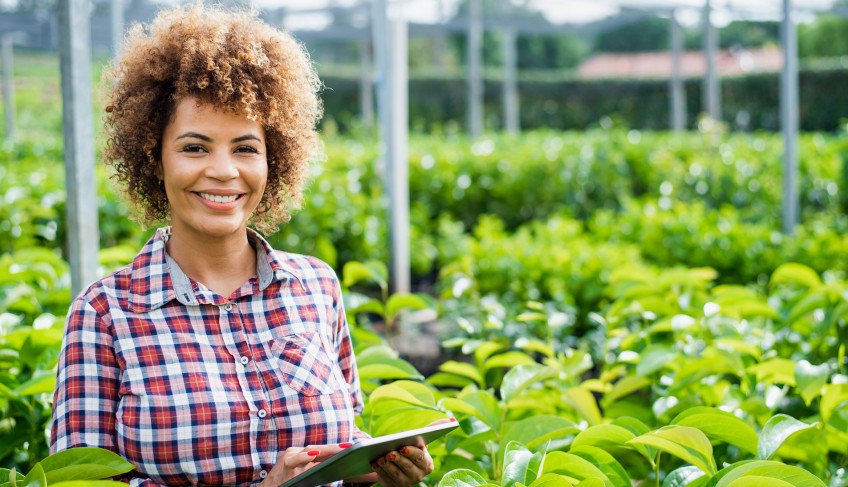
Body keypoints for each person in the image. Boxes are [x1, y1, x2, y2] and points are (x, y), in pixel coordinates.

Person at [50, 4, 436, 486]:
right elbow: (79, 480)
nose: (224, 171)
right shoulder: (105, 314)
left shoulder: (315, 286)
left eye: (245, 148)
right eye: (195, 147)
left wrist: (377, 470)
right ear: (154, 159)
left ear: (275, 158)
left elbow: (340, 440)